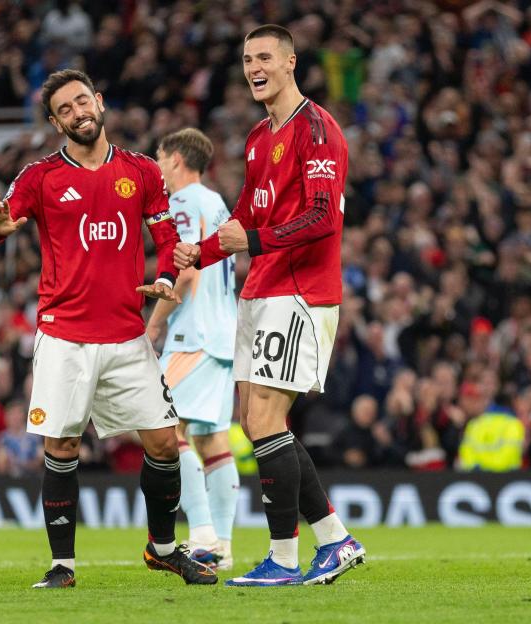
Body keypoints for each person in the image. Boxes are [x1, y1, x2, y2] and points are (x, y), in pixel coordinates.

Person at [0, 69, 216, 588]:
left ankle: (164, 548)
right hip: (64, 336)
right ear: (54, 122)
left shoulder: (143, 171)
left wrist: (167, 278)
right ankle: (63, 566)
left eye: (83, 100)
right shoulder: (40, 177)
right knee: (61, 448)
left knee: (164, 443)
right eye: (65, 109)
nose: (78, 112)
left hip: (127, 336)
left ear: (100, 102)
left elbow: (168, 236)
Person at [175, 25, 365, 587]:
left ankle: (284, 559)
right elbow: (244, 218)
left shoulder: (318, 129)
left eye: (264, 57)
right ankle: (334, 540)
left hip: (302, 293)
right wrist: (196, 256)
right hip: (261, 289)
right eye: (246, 59)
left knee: (263, 421)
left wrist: (250, 244)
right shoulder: (259, 136)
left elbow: (324, 216)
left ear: (290, 63)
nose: (253, 67)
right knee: (260, 423)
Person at [147, 128, 239, 570]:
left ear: (177, 161)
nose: (158, 167)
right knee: (211, 439)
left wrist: (153, 327)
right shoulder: (217, 204)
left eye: (160, 159)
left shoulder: (182, 204)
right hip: (223, 333)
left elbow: (184, 270)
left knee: (167, 430)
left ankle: (202, 535)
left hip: (194, 335)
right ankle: (221, 543)